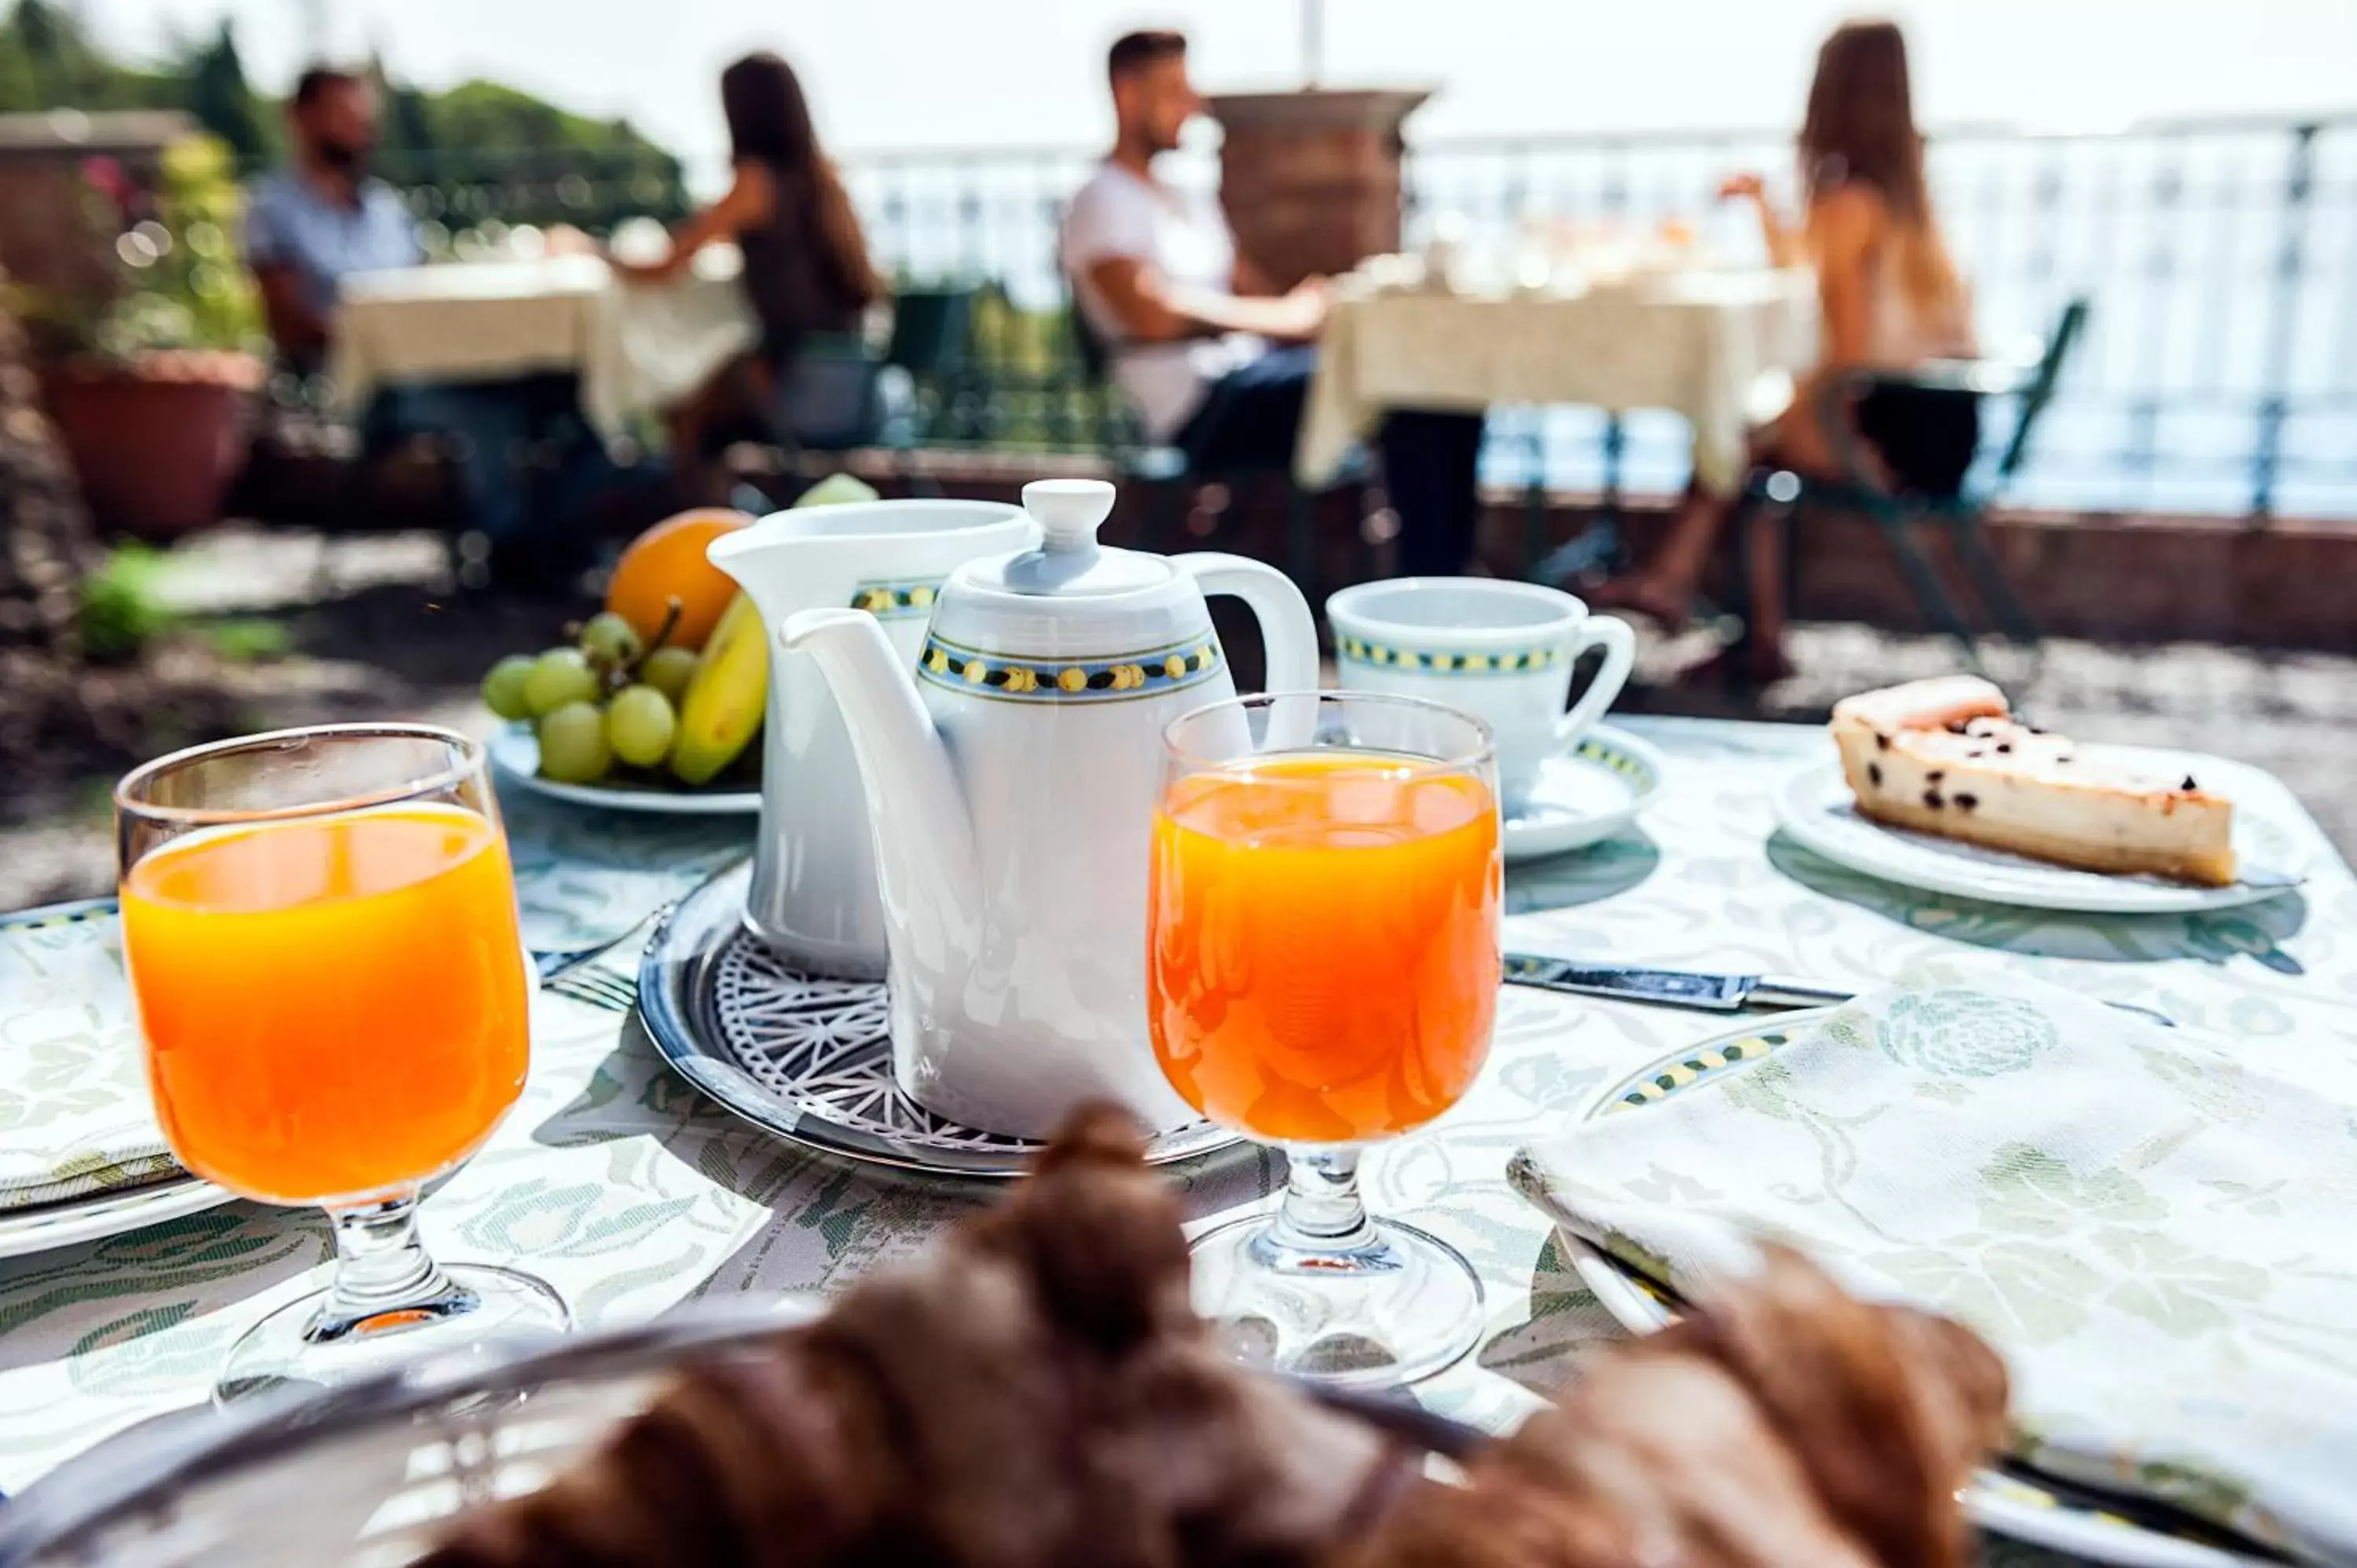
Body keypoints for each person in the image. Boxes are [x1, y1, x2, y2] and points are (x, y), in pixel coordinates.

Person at [1589, 19, 1978, 683]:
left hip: (1899, 430)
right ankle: (1708, 605)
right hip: (1943, 419)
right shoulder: (1899, 198)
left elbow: (1846, 352)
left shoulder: (1850, 202)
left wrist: (1781, 414)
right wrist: (1768, 212)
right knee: (1746, 446)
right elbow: (1817, 282)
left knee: (1738, 443)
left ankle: (1703, 604)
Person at [1059, 30, 1484, 578]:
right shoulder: (1100, 200)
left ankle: (1448, 573)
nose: (1194, 107)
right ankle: (1431, 587)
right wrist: (1285, 320)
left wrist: (1311, 306)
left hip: (1252, 374)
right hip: (1199, 409)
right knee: (1402, 385)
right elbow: (1152, 316)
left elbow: (1251, 290)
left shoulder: (1184, 193)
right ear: (1128, 93)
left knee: (1440, 375)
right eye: (1175, 90)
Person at [244, 66, 568, 577]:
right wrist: (382, 343)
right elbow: (290, 323)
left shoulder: (386, 209)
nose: (358, 130)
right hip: (351, 383)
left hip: (435, 369)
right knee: (488, 413)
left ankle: (555, 543)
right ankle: (510, 557)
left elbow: (427, 295)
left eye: (364, 118)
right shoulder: (274, 209)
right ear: (300, 119)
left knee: (552, 392)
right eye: (343, 115)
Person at [612, 51, 887, 505]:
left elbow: (667, 263)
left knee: (684, 401)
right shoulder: (823, 180)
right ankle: (719, 516)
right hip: (857, 386)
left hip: (804, 390)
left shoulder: (756, 182)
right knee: (703, 390)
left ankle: (702, 526)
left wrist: (599, 254)